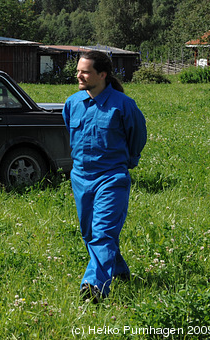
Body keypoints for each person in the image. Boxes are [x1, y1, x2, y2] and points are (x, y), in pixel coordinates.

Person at [62, 50, 147, 303]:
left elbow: (137, 136)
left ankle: (93, 287)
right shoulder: (73, 103)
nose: (79, 75)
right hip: (80, 178)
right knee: (89, 233)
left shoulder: (123, 105)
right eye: (78, 70)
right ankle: (118, 271)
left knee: (103, 233)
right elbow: (70, 131)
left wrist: (128, 163)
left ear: (102, 74)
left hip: (111, 178)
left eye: (85, 71)